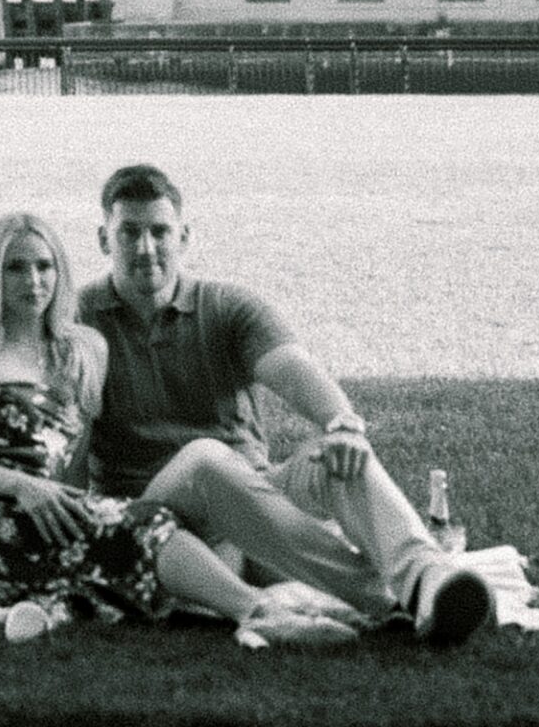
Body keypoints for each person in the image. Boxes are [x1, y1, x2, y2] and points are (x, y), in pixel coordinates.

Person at [73, 163, 494, 647]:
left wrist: (342, 424)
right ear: (104, 240)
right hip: (153, 515)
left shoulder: (226, 307)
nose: (147, 248)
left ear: (184, 236)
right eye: (130, 233)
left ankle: (426, 577)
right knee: (205, 459)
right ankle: (386, 596)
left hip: (252, 499)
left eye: (160, 232)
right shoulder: (78, 318)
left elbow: (293, 369)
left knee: (337, 455)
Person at [0, 210, 358, 646]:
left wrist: (77, 505)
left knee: (143, 524)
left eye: (44, 266)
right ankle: (262, 613)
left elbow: (77, 456)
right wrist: (22, 486)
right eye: (15, 268)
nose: (33, 281)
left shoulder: (83, 351)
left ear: (61, 272)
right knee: (137, 533)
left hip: (47, 513)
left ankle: (268, 603)